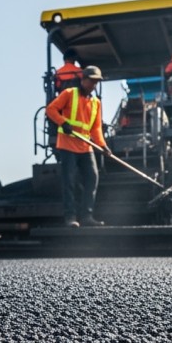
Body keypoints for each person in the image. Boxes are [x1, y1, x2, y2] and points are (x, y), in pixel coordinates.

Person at [45, 65, 110, 227]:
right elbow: (51, 109)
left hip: (85, 146)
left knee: (92, 177)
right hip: (67, 145)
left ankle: (87, 216)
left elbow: (95, 129)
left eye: (96, 82)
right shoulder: (69, 94)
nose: (94, 85)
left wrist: (103, 146)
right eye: (92, 81)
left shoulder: (96, 103)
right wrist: (63, 122)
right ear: (83, 79)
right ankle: (70, 218)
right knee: (69, 181)